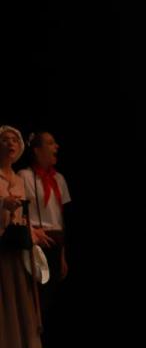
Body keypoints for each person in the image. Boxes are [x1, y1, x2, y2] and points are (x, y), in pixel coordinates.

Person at [0, 125, 52, 348]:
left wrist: (33, 231)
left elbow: (22, 214)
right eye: (5, 139)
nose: (10, 143)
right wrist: (2, 204)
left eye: (14, 139)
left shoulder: (18, 180)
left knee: (22, 301)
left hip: (16, 246)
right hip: (1, 246)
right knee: (4, 303)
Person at [19, 131, 72, 322]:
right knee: (38, 298)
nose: (56, 146)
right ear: (37, 150)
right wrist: (32, 234)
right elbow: (20, 214)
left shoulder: (59, 179)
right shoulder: (25, 176)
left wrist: (63, 254)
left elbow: (60, 218)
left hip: (56, 242)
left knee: (53, 299)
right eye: (50, 143)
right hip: (38, 241)